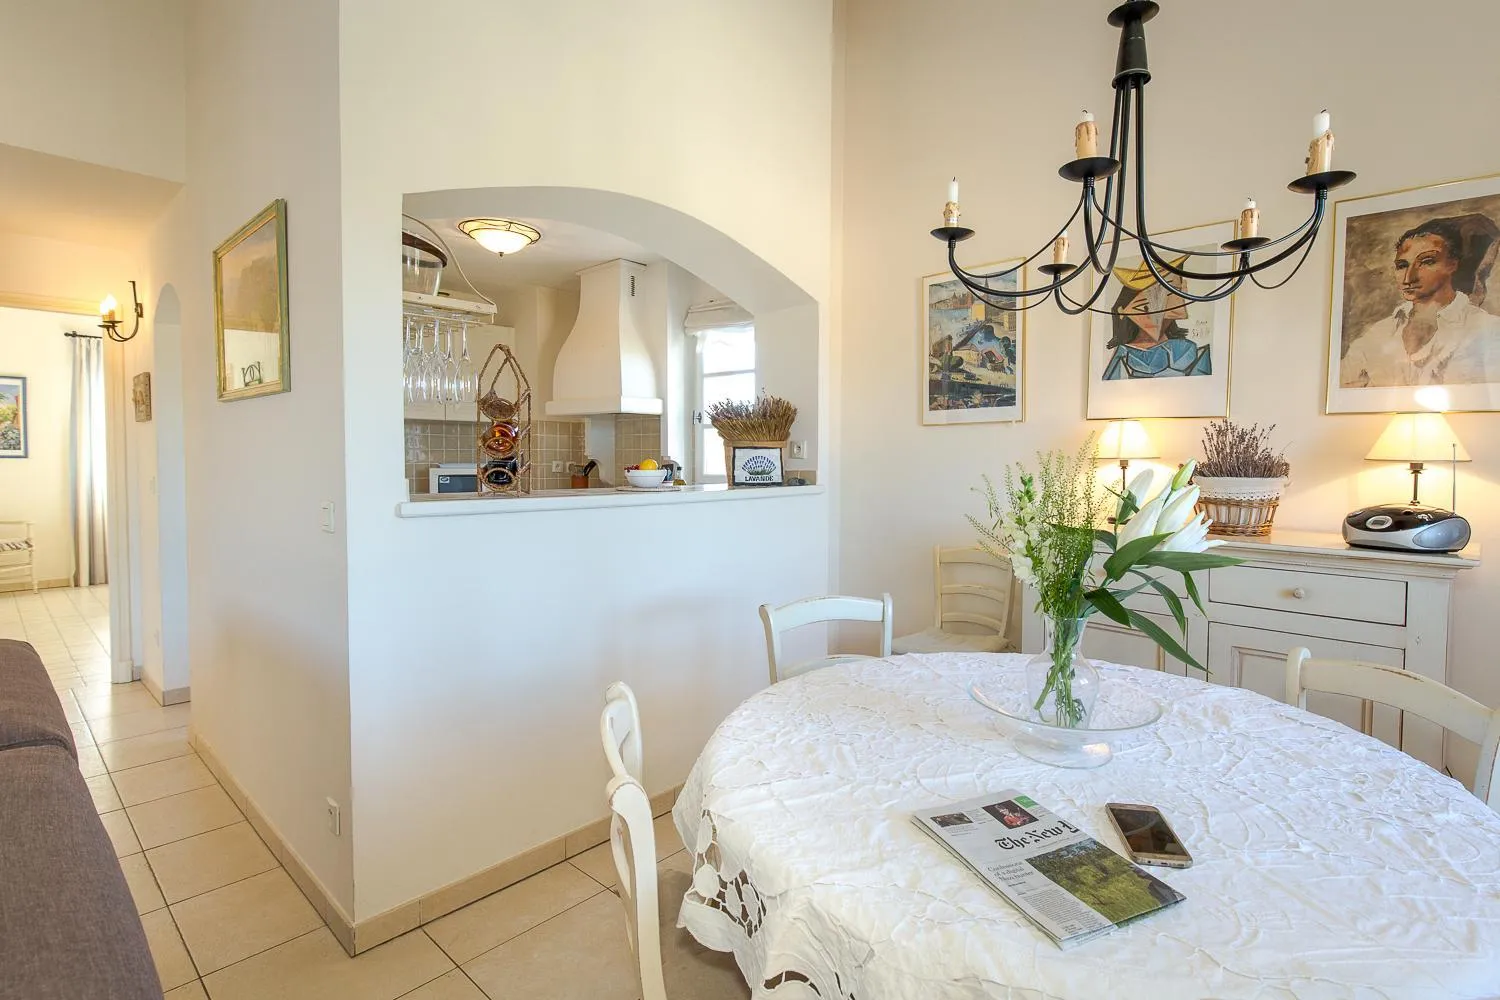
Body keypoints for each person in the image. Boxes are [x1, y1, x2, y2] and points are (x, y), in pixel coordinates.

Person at [1340, 213, 1500, 387]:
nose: (1408, 277)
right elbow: (1341, 388)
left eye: (1427, 262)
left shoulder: (1487, 328)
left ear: (1452, 264)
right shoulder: (1380, 332)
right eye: (1402, 266)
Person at [1102, 257, 1212, 380]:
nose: (1155, 318)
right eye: (1144, 307)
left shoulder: (1192, 353)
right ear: (1123, 311)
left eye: (1168, 302)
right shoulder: (1122, 356)